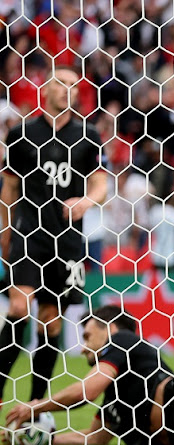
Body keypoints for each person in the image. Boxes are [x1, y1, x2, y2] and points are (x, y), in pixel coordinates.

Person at [3, 305, 174, 445]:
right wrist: (43, 439)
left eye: (87, 337)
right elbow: (94, 438)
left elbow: (85, 392)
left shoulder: (122, 340)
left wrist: (33, 407)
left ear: (109, 329)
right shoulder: (115, 398)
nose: (84, 347)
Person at [0, 65, 109, 405]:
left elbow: (101, 183)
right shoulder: (20, 134)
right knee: (19, 307)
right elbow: (10, 188)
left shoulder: (87, 135)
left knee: (51, 323)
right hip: (29, 234)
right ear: (45, 89)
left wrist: (86, 202)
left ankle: (34, 406)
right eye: (61, 83)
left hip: (68, 240)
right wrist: (5, 233)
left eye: (73, 85)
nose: (67, 90)